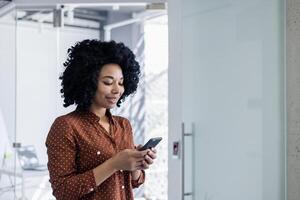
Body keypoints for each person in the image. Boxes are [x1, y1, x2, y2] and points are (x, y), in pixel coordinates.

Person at [45, 39, 157, 200]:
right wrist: (114, 164)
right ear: (88, 82)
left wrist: (137, 164)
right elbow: (63, 191)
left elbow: (133, 182)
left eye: (121, 83)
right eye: (108, 82)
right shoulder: (66, 126)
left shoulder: (123, 125)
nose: (117, 90)